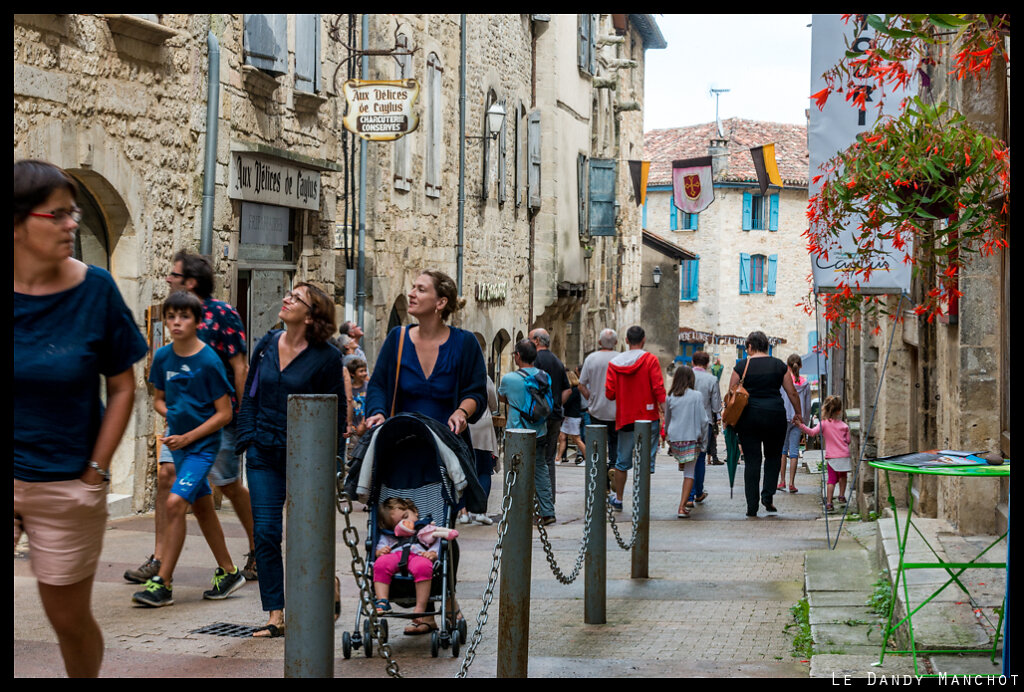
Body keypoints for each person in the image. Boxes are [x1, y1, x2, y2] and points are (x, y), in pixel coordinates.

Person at [14, 159, 148, 676]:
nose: (73, 223)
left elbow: (122, 386)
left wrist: (96, 470)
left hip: (66, 482)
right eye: (60, 214)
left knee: (68, 620)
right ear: (20, 222)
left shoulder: (96, 290)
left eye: (75, 213)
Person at [363, 270, 486, 633]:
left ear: (441, 302)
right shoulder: (397, 339)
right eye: (412, 287)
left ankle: (439, 603)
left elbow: (476, 390)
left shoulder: (464, 344)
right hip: (400, 450)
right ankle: (426, 605)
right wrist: (377, 413)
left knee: (440, 529)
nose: (412, 294)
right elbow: (379, 385)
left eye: (420, 289)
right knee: (396, 530)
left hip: (443, 453)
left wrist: (462, 413)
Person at [125, 251, 258, 586]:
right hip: (182, 424)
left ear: (191, 282)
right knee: (169, 478)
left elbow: (240, 367)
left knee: (227, 485)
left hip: (218, 420)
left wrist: (244, 419)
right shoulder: (171, 317)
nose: (168, 279)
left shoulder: (223, 314)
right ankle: (159, 560)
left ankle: (259, 549)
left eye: (174, 275)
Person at [235, 282, 346, 638]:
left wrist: (333, 461)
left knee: (306, 535)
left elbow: (337, 413)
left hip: (307, 457)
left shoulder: (327, 357)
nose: (286, 299)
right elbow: (250, 393)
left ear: (312, 316)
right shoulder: (267, 345)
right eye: (288, 294)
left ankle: (326, 586)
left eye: (296, 298)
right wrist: (247, 438)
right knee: (266, 533)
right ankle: (275, 613)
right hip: (263, 453)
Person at [728, 331, 803, 518]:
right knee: (773, 458)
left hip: (749, 417)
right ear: (767, 346)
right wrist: (798, 413)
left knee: (752, 461)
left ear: (750, 347)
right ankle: (768, 496)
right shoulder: (779, 366)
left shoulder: (741, 366)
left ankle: (751, 506)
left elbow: (731, 392)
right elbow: (792, 392)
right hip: (775, 416)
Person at [604, 326, 666, 512]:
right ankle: (641, 500)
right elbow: (658, 389)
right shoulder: (650, 360)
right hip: (648, 417)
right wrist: (665, 414)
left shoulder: (615, 363)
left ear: (626, 340)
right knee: (645, 461)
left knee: (622, 462)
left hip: (626, 417)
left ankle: (619, 498)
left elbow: (609, 394)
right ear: (644, 339)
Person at [499, 339, 556, 526]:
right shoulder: (544, 376)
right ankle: (547, 511)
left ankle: (516, 510)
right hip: (539, 431)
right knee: (540, 470)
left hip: (517, 432)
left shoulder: (509, 379)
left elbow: (502, 396)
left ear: (517, 356)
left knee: (514, 472)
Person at [372, 498, 441, 633]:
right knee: (380, 564)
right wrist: (379, 551)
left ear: (415, 511)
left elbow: (437, 542)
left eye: (405, 517)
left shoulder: (426, 529)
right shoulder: (389, 535)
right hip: (394, 555)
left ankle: (420, 607)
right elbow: (380, 546)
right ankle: (382, 601)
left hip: (419, 555)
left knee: (424, 566)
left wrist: (434, 553)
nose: (405, 523)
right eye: (397, 523)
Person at [529, 329, 571, 501]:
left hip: (538, 417)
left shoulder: (533, 361)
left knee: (534, 458)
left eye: (530, 339)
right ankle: (549, 499)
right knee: (549, 459)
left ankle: (536, 499)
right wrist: (555, 405)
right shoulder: (558, 362)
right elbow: (567, 390)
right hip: (555, 416)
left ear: (537, 341)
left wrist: (542, 407)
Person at [663, 366, 708, 518]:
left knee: (684, 460)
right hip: (690, 438)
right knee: (689, 473)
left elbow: (667, 419)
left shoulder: (670, 397)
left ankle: (681, 460)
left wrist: (667, 437)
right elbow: (703, 420)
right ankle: (682, 506)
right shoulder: (696, 396)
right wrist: (704, 439)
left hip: (675, 439)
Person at [579, 328, 619, 486]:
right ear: (615, 343)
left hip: (596, 410)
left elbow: (581, 385)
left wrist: (591, 398)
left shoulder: (591, 359)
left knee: (598, 444)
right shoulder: (620, 359)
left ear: (599, 342)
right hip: (616, 410)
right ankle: (614, 467)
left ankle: (601, 476)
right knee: (615, 443)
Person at [798, 396, 851, 511]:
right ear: (839, 411)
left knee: (831, 479)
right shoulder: (844, 426)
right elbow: (848, 441)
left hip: (832, 457)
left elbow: (812, 433)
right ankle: (841, 496)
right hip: (844, 456)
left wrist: (801, 426)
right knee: (843, 476)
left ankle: (829, 503)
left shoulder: (824, 424)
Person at [685, 351, 722, 510]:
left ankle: (691, 494)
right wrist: (718, 416)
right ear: (707, 364)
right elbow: (716, 406)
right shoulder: (712, 379)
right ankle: (696, 492)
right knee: (700, 457)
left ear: (693, 362)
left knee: (688, 456)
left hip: (687, 420)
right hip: (704, 421)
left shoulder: (686, 376)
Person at [462, 372, 499, 525]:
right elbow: (493, 403)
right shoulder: (483, 376)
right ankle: (481, 512)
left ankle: (462, 512)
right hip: (482, 425)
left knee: (462, 470)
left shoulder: (457, 372)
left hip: (461, 423)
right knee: (484, 469)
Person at [778, 354, 813, 494]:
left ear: (787, 366)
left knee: (782, 450)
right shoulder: (805, 384)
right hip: (798, 421)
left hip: (784, 418)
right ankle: (792, 483)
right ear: (800, 366)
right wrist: (804, 421)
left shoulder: (783, 382)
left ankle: (782, 481)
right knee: (794, 451)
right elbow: (807, 405)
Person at [557, 369, 586, 465]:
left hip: (573, 417)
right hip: (569, 417)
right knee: (562, 436)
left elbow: (566, 403)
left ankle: (587, 459)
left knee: (576, 439)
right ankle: (558, 458)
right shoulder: (573, 390)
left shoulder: (574, 391)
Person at [345, 357, 369, 459]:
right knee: (352, 456)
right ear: (352, 374)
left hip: (367, 426)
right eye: (361, 371)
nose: (364, 373)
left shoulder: (369, 387)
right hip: (354, 429)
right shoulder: (348, 389)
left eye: (365, 370)